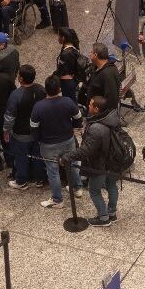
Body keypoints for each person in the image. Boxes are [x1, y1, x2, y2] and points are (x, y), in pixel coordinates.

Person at [59, 95, 121, 227]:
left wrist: (66, 157)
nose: (88, 106)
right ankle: (112, 213)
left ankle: (103, 218)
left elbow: (85, 151)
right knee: (111, 186)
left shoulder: (96, 128)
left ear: (97, 109)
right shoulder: (111, 118)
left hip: (99, 164)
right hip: (113, 161)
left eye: (91, 104)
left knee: (94, 191)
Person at [31, 75, 84, 208]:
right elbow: (78, 117)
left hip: (48, 144)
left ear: (46, 90)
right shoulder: (67, 102)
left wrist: (38, 140)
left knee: (52, 171)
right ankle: (77, 188)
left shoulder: (38, 106)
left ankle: (57, 200)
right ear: (59, 89)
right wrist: (73, 128)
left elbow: (34, 127)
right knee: (72, 165)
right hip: (68, 140)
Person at [3, 64, 47, 191]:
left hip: (21, 133)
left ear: (21, 79)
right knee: (38, 156)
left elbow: (10, 117)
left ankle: (21, 181)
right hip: (38, 131)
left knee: (21, 157)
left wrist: (6, 131)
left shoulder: (16, 95)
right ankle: (40, 179)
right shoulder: (41, 89)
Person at [83, 42, 121, 113]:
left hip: (98, 112)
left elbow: (111, 99)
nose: (89, 54)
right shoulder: (97, 67)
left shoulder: (107, 74)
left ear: (95, 55)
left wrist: (99, 114)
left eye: (91, 52)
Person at [54, 27, 82, 102]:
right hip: (73, 80)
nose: (57, 38)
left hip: (67, 83)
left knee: (69, 101)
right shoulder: (73, 47)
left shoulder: (65, 54)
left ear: (63, 38)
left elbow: (61, 70)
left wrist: (53, 78)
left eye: (58, 35)